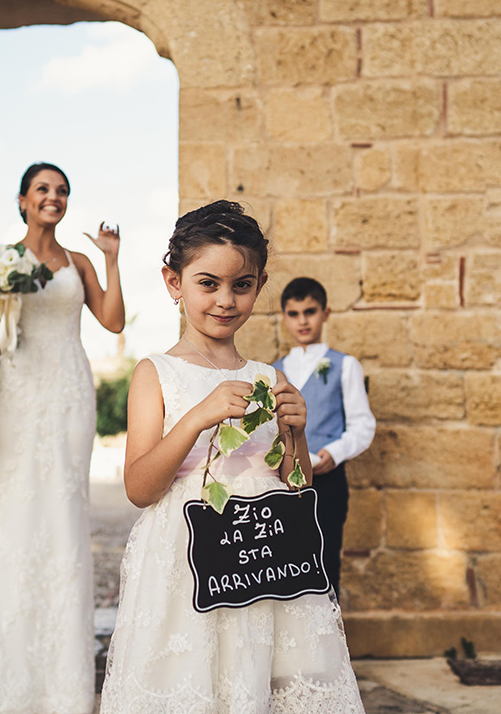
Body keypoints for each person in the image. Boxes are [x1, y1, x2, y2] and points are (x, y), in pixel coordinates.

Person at [100, 201, 365, 713]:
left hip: (265, 557)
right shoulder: (155, 373)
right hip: (190, 562)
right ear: (174, 282)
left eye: (241, 285)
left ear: (259, 286)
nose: (225, 300)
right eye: (208, 284)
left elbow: (298, 485)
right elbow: (139, 488)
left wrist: (298, 432)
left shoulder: (270, 376)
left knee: (257, 680)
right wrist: (197, 416)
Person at [0, 162, 125, 714]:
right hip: (15, 389)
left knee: (63, 510)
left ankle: (59, 671)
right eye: (43, 190)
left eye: (61, 191)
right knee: (10, 508)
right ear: (22, 199)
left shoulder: (78, 262)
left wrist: (110, 258)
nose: (53, 197)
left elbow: (112, 320)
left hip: (70, 394)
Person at [274, 277, 376, 598]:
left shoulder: (345, 366)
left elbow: (363, 425)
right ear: (285, 317)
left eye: (310, 311)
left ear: (325, 313)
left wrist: (334, 452)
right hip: (283, 483)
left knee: (325, 564)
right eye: (294, 313)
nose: (302, 321)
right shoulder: (273, 370)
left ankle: (329, 642)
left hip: (328, 482)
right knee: (285, 566)